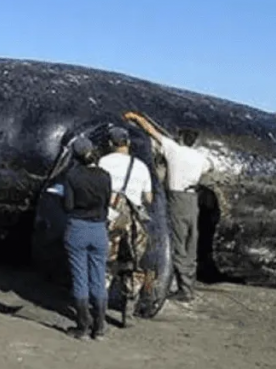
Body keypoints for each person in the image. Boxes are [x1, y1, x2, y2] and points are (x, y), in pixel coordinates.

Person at [124, 111, 214, 302]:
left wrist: (136, 118)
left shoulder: (175, 150)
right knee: (191, 241)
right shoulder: (200, 157)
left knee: (178, 241)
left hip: (178, 199)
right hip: (192, 200)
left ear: (180, 137)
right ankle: (188, 283)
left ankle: (183, 289)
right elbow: (210, 166)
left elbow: (151, 131)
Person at [45, 137, 112, 340]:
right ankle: (100, 327)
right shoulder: (105, 176)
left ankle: (83, 326)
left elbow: (68, 205)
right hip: (99, 228)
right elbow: (107, 202)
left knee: (80, 278)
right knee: (99, 278)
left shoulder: (72, 175)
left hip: (78, 227)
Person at [97, 125, 153, 326]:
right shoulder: (141, 166)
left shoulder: (103, 162)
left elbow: (98, 186)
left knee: (105, 264)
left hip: (110, 220)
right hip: (134, 224)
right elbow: (149, 197)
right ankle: (128, 313)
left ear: (111, 144)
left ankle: (99, 312)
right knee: (133, 265)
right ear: (128, 143)